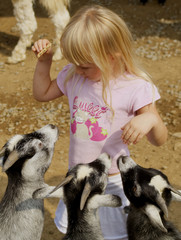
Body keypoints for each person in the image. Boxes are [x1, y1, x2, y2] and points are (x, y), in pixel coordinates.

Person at [32, 4, 168, 240]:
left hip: (114, 180)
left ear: (112, 56)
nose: (77, 69)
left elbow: (159, 139)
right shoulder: (75, 76)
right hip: (77, 177)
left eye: (84, 65)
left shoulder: (136, 87)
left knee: (116, 235)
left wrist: (149, 118)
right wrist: (45, 62)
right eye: (74, 63)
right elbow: (42, 93)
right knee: (79, 233)